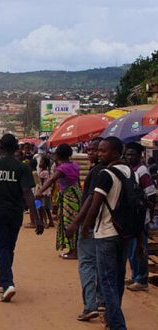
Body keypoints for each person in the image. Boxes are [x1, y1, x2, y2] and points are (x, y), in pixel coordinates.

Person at [0, 134, 44, 303]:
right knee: (9, 247)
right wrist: (36, 218)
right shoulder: (22, 168)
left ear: (0, 147)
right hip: (15, 213)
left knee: (0, 248)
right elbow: (28, 194)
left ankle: (8, 283)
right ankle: (3, 279)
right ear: (16, 147)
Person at [81, 137, 129, 330]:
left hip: (106, 232)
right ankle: (111, 318)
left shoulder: (106, 174)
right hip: (124, 233)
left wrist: (85, 226)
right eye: (98, 150)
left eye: (103, 151)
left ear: (116, 153)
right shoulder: (129, 172)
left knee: (107, 280)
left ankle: (117, 324)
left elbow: (95, 203)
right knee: (118, 279)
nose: (99, 154)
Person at [65, 137, 105, 321]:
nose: (91, 153)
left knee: (87, 264)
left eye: (96, 150)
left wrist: (79, 223)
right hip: (106, 227)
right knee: (101, 264)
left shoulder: (98, 171)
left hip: (92, 225)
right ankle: (102, 300)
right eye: (89, 150)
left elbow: (90, 199)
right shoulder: (111, 170)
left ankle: (90, 305)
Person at [35, 143, 81, 259]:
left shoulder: (62, 168)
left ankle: (73, 251)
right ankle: (73, 249)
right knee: (73, 221)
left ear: (58, 155)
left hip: (68, 197)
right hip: (76, 195)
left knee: (68, 222)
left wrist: (40, 192)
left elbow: (51, 180)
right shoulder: (74, 166)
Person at [123, 142, 156, 292]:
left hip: (141, 217)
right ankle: (135, 275)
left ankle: (142, 279)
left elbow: (151, 193)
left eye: (132, 155)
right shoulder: (131, 170)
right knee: (132, 249)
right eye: (127, 154)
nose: (129, 157)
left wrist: (149, 214)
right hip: (131, 217)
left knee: (139, 248)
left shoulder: (142, 171)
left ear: (140, 155)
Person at [36, 156, 54, 229]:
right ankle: (51, 222)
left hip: (43, 192)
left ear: (45, 164)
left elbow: (42, 184)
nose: (40, 163)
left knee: (41, 207)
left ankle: (44, 222)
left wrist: (39, 191)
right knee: (47, 208)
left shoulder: (43, 173)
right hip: (47, 192)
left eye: (41, 162)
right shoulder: (48, 172)